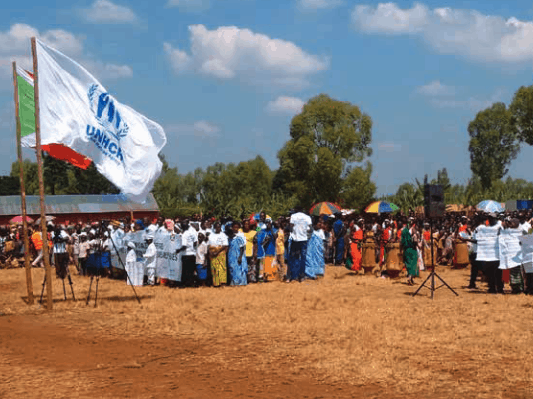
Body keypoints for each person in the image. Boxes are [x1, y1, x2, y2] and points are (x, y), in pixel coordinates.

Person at [473, 213, 502, 294]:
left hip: (497, 255)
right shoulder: (484, 229)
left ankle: (500, 288)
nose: (491, 220)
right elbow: (478, 240)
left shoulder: (500, 228)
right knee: (489, 273)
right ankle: (491, 288)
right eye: (490, 218)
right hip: (487, 255)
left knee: (498, 273)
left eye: (492, 218)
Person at [499, 218, 525, 294]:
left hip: (518, 256)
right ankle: (515, 288)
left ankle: (520, 288)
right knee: (513, 273)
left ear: (516, 224)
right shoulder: (507, 232)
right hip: (510, 256)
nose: (510, 224)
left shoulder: (521, 232)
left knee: (518, 272)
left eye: (512, 223)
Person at [288, 207, 312, 282]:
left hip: (295, 239)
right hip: (304, 240)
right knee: (303, 258)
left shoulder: (293, 216)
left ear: (296, 210)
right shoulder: (307, 217)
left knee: (293, 257)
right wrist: (307, 234)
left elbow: (290, 227)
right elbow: (311, 229)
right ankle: (301, 276)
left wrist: (293, 233)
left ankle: (292, 276)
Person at [208, 222, 229, 287]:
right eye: (216, 227)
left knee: (221, 268)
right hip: (212, 253)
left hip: (220, 253)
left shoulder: (223, 235)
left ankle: (222, 283)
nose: (218, 228)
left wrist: (217, 252)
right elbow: (208, 245)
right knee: (214, 268)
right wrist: (210, 252)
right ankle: (216, 283)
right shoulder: (211, 235)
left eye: (219, 227)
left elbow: (225, 245)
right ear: (214, 228)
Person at [179, 220, 198, 287]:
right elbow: (196, 242)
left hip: (186, 254)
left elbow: (184, 246)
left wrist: (178, 250)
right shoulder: (192, 232)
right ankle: (191, 283)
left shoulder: (184, 235)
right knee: (191, 270)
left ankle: (185, 284)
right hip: (192, 254)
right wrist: (193, 248)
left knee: (185, 270)